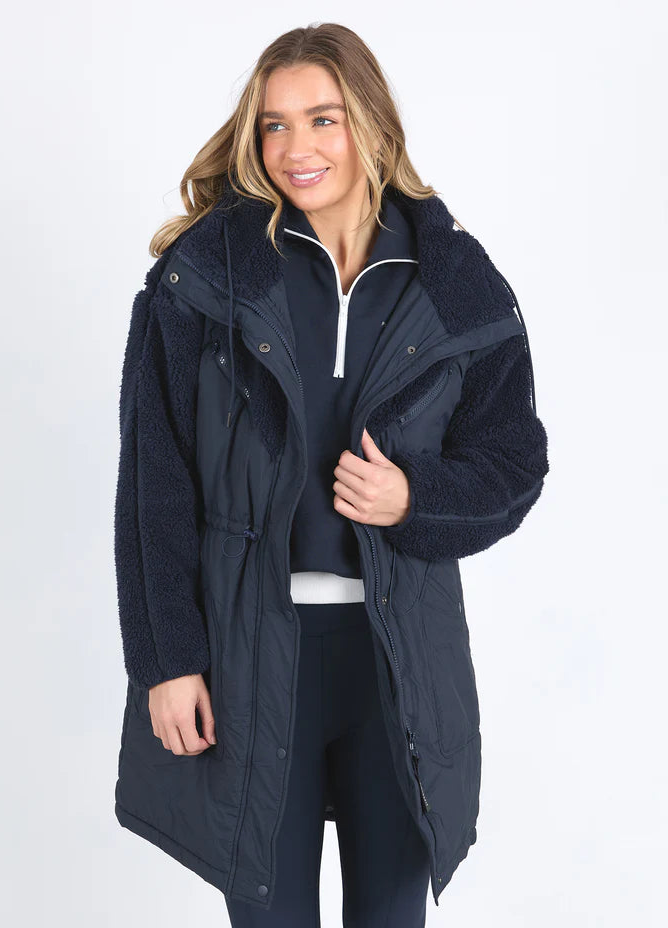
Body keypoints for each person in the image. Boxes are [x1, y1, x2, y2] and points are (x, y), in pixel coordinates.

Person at [112, 22, 550, 928]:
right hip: (246, 659)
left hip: (399, 664)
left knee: (390, 915)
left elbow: (515, 462)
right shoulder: (204, 277)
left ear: (370, 123)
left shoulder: (454, 280)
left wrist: (416, 499)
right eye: (274, 125)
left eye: (322, 119)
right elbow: (154, 484)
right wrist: (167, 661)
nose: (295, 148)